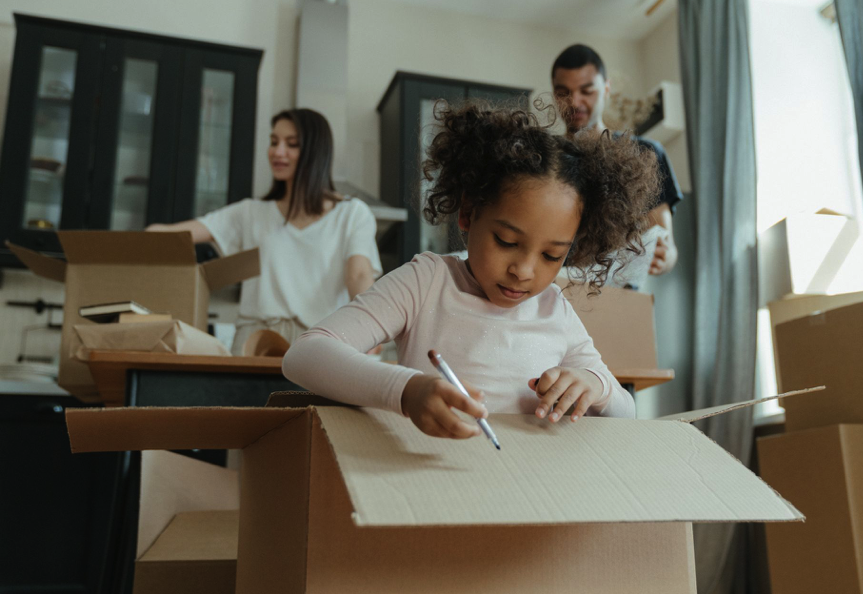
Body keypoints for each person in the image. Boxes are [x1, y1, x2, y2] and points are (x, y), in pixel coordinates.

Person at [282, 101, 661, 440]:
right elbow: (305, 355)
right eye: (507, 242)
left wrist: (595, 384)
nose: (524, 271)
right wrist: (407, 390)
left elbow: (626, 411)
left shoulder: (555, 309)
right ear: (468, 213)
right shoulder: (426, 282)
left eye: (551, 256)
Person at [147, 108, 382, 354]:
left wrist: (373, 330)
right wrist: (141, 239)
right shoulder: (251, 213)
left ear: (316, 151)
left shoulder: (352, 213)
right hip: (255, 343)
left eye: (291, 144)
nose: (277, 152)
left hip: (321, 343)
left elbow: (358, 276)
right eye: (273, 142)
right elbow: (175, 235)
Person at [551, 44, 684, 286]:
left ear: (606, 89)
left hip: (618, 295)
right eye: (563, 92)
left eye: (587, 91)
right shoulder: (546, 157)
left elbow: (665, 243)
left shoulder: (645, 153)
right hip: (553, 291)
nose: (575, 101)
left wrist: (666, 257)